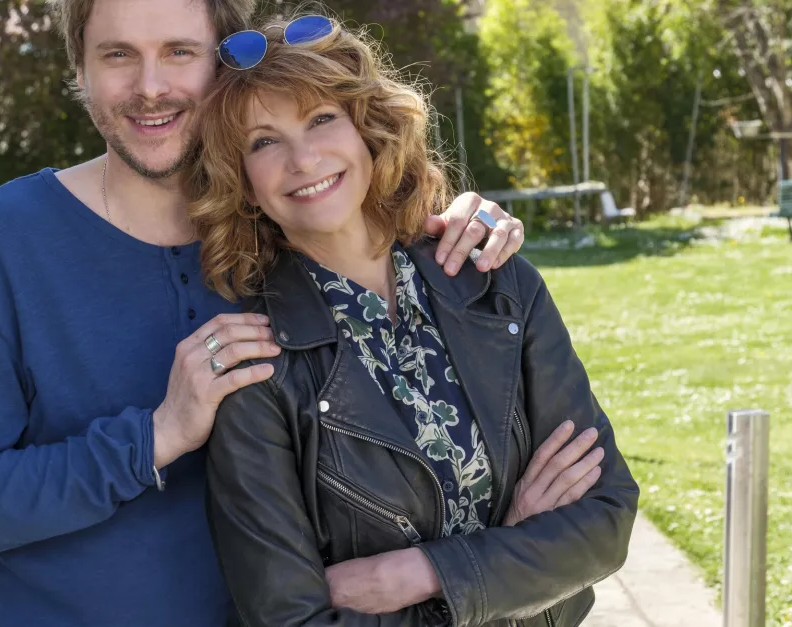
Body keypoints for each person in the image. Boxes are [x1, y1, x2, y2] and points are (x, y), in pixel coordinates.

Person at [0, 0, 528, 625]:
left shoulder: (290, 221)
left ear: (224, 64)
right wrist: (156, 437)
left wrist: (462, 227)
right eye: (118, 55)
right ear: (80, 68)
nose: (150, 87)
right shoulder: (3, 240)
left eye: (179, 51)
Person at [186, 13, 640, 627]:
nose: (304, 158)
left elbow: (606, 517)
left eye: (322, 119)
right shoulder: (257, 368)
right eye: (263, 142)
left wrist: (414, 574)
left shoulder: (498, 285)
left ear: (367, 128)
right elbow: (293, 620)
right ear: (242, 182)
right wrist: (512, 556)